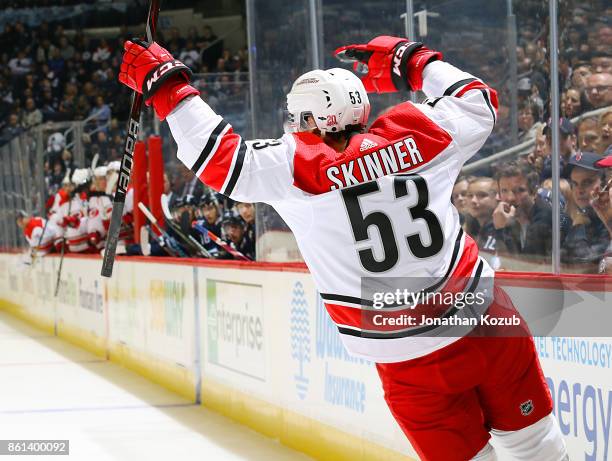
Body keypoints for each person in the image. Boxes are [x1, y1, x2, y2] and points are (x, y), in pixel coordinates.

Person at [119, 36, 568, 460]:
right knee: (537, 443)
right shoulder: (418, 130)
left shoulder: (293, 165)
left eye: (298, 116)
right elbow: (478, 101)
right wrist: (414, 62)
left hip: (404, 357)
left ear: (311, 119)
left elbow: (221, 159)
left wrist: (170, 88)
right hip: (486, 320)